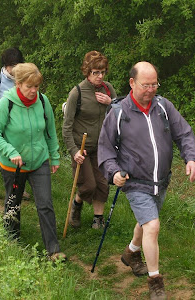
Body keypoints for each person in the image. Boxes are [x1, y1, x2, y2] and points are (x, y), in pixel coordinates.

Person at [98, 61, 195, 300]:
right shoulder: (118, 113)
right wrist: (113, 172)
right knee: (152, 226)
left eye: (155, 84)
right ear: (132, 83)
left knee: (146, 223)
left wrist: (191, 159)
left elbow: (184, 133)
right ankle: (155, 281)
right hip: (135, 182)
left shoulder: (163, 107)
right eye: (146, 85)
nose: (151, 89)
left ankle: (132, 252)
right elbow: (105, 148)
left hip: (161, 180)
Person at [0, 62, 65, 261]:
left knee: (45, 204)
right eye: (29, 86)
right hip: (13, 165)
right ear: (18, 84)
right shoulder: (6, 103)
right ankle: (12, 242)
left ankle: (53, 250)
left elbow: (50, 131)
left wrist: (54, 155)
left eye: (36, 86)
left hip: (39, 161)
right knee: (13, 204)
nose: (33, 91)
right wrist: (10, 151)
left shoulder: (42, 100)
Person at [62, 50, 117, 229]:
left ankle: (97, 219)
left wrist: (111, 102)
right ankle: (77, 205)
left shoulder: (108, 89)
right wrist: (74, 150)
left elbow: (122, 114)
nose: (100, 76)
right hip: (82, 147)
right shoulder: (77, 93)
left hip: (102, 147)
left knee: (103, 184)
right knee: (89, 185)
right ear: (87, 72)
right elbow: (67, 127)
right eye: (95, 72)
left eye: (102, 72)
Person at [0, 47, 31, 199]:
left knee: (25, 156)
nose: (15, 70)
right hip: (4, 129)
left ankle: (22, 186)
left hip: (23, 127)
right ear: (5, 65)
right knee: (11, 159)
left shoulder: (24, 79)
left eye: (18, 65)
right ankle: (15, 189)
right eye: (12, 66)